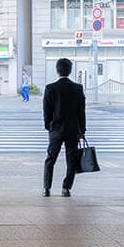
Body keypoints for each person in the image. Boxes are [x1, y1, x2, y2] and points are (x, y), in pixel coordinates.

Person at [42, 58, 86, 197]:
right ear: (70, 71)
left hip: (55, 129)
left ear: (57, 70)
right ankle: (66, 188)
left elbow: (46, 110)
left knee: (50, 158)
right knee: (71, 159)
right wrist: (82, 130)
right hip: (73, 130)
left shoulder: (50, 88)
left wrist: (49, 126)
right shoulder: (78, 88)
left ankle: (46, 188)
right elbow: (81, 111)